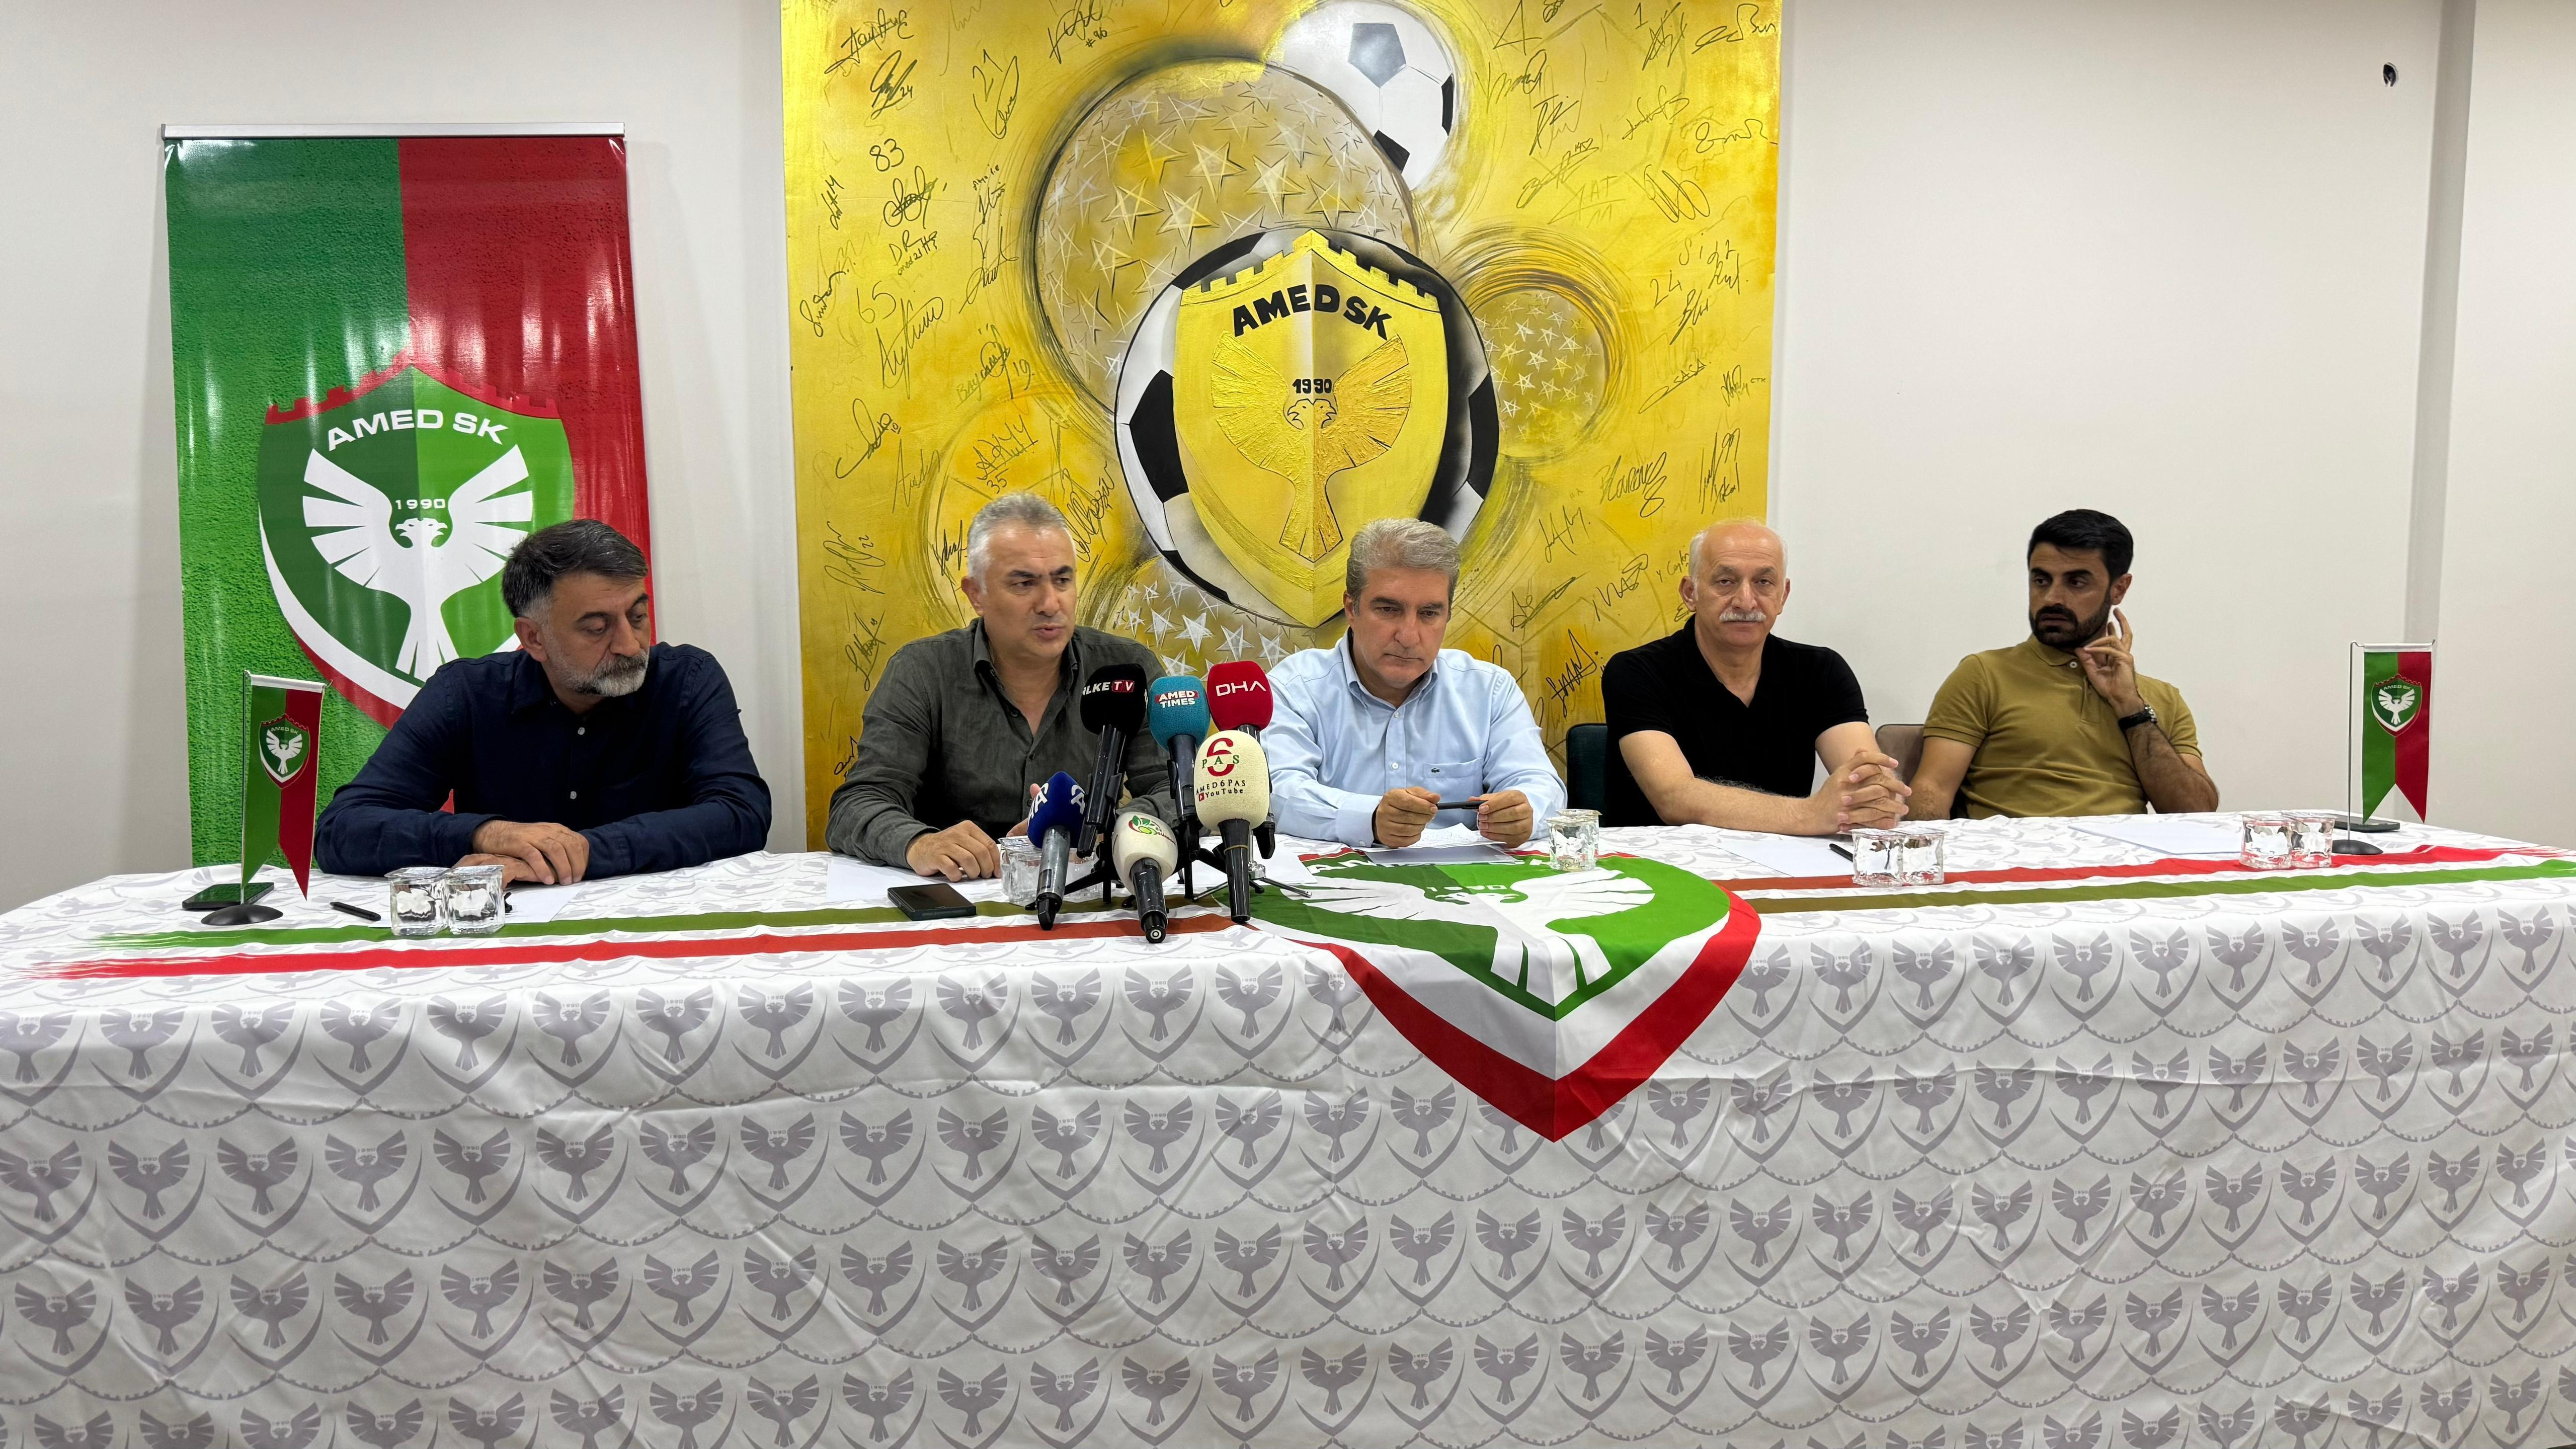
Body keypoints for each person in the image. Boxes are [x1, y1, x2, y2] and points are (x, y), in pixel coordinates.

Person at [316, 520, 771, 883]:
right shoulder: (466, 695)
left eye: (637, 616)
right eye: (597, 628)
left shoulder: (687, 679)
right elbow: (342, 831)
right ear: (534, 637)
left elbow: (741, 813)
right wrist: (486, 833)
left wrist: (585, 852)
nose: (631, 645)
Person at [828, 492, 1171, 879]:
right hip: (962, 891)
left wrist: (1108, 832)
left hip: (1084, 886)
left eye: (1063, 580)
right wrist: (919, 844)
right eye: (1024, 583)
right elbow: (857, 804)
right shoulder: (922, 672)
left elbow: (1177, 791)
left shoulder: (1126, 670)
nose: (1050, 603)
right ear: (977, 594)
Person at [1267, 518, 1564, 849]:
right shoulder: (1295, 689)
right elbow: (1277, 793)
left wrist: (1525, 812)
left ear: (1448, 615)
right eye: (1388, 609)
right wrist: (1369, 818)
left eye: (1429, 614)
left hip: (1465, 877)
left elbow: (1541, 786)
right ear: (1352, 609)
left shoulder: (1490, 690)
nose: (1408, 637)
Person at [1909, 508, 2219, 819]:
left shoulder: (2162, 699)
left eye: (2077, 582)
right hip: (2015, 848)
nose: (2051, 598)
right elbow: (1932, 789)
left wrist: (2131, 709)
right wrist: (1927, 849)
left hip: (2125, 850)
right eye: (2041, 580)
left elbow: (2197, 814)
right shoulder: (1984, 673)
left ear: (2119, 589)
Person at [1602, 521, 1908, 834]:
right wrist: (1810, 813)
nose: (1746, 602)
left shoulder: (1822, 670)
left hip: (1786, 858)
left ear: (1783, 595)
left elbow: (1872, 785)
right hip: (1661, 860)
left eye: (1764, 582)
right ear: (1691, 593)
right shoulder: (1636, 671)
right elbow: (1675, 797)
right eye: (1725, 582)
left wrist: (1876, 797)